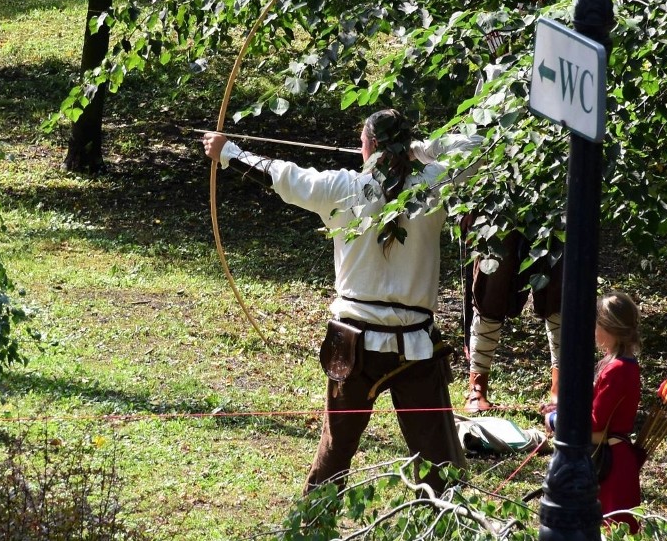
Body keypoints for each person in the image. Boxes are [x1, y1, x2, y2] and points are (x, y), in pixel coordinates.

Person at [201, 109, 479, 495]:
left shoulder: (343, 187)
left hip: (356, 345)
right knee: (438, 459)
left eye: (363, 142)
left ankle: (315, 525)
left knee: (337, 450)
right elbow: (474, 147)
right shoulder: (431, 184)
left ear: (371, 145)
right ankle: (445, 523)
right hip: (412, 348)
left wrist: (229, 152)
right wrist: (422, 149)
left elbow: (281, 176)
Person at [543, 291, 642, 533]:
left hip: (612, 467)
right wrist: (561, 408)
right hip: (609, 460)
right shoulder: (615, 363)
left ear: (609, 328)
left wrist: (556, 420)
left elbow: (595, 423)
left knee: (613, 532)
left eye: (596, 324)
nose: (593, 330)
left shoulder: (617, 369)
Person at [462, 232, 563, 412]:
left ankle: (561, 390)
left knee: (557, 291)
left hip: (556, 208)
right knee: (491, 288)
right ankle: (477, 389)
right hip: (502, 211)